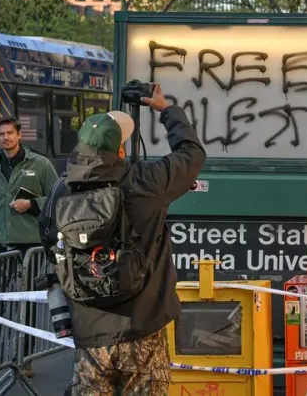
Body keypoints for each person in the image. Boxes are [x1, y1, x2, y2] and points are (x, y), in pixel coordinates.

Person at [50, 83, 206, 394]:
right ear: (120, 151)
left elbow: (51, 250)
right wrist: (166, 109)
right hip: (142, 328)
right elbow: (192, 153)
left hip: (89, 335)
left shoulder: (60, 191)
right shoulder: (146, 181)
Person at [0, 116, 59, 377]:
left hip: (28, 248)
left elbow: (58, 197)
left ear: (19, 135)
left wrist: (32, 204)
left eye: (10, 133)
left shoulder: (40, 165)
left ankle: (24, 359)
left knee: (26, 303)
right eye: (1, 134)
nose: (5, 138)